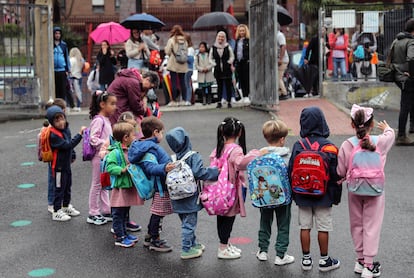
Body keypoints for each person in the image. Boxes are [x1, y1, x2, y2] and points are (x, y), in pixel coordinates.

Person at [337, 104, 395, 278]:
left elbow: (340, 170)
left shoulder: (347, 144)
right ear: (372, 124)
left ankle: (360, 260)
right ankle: (369, 266)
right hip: (375, 191)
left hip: (354, 190)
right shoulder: (380, 142)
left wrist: (342, 177)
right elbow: (390, 135)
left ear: (352, 124)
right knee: (372, 225)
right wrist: (387, 128)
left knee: (357, 224)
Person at [288, 106, 342, 272]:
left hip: (302, 194)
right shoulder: (330, 147)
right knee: (323, 227)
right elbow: (336, 174)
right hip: (323, 196)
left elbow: (290, 170)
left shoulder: (299, 145)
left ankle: (306, 260)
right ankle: (324, 260)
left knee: (305, 226)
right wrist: (335, 195)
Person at [165, 127, 219, 259]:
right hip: (190, 197)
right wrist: (216, 172)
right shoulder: (193, 156)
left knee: (185, 222)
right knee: (189, 224)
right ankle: (186, 249)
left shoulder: (172, 157)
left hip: (177, 197)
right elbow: (199, 172)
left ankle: (193, 243)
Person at [210, 117, 260, 259]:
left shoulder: (218, 148)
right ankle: (223, 247)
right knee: (229, 218)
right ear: (239, 133)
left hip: (218, 190)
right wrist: (255, 154)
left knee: (222, 217)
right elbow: (240, 163)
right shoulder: (235, 149)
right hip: (230, 190)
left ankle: (225, 244)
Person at [128, 116, 176, 252]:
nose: (162, 135)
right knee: (158, 213)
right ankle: (155, 239)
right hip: (160, 186)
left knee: (158, 213)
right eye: (161, 132)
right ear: (155, 132)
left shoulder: (145, 146)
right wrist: (164, 168)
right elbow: (150, 167)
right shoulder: (150, 148)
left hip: (160, 185)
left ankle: (151, 236)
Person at [255, 120, 294, 265]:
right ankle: (280, 255)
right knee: (283, 224)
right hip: (283, 196)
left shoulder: (261, 154)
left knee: (265, 222)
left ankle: (263, 251)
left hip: (264, 196)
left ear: (266, 138)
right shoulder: (287, 155)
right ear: (282, 139)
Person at [106, 122, 143, 248]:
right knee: (118, 213)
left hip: (126, 187)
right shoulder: (115, 152)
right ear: (125, 138)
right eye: (133, 135)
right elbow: (109, 167)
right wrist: (121, 170)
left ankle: (124, 233)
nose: (135, 137)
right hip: (120, 188)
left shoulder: (129, 149)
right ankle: (120, 237)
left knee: (125, 212)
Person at [46, 105, 86, 221]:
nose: (60, 122)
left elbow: (68, 145)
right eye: (56, 120)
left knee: (67, 186)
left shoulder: (65, 129)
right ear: (52, 122)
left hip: (66, 165)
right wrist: (79, 135)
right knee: (59, 188)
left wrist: (72, 154)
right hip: (58, 166)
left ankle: (65, 206)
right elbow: (67, 145)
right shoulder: (53, 135)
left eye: (61, 118)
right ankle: (56, 210)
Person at [86, 90, 117, 225]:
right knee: (97, 184)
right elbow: (93, 139)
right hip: (99, 156)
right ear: (102, 104)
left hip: (106, 156)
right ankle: (93, 213)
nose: (114, 107)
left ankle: (106, 209)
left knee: (105, 184)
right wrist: (106, 144)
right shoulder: (98, 120)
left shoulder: (106, 120)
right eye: (112, 104)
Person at [41, 98, 67, 214]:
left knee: (61, 181)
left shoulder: (60, 127)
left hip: (61, 159)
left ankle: (59, 202)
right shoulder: (51, 130)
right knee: (54, 181)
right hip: (55, 159)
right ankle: (52, 203)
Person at [390, 18, 414, 146]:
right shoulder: (411, 41)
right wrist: (411, 73)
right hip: (407, 78)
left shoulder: (396, 40)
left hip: (398, 76)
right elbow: (411, 58)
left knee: (409, 103)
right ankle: (401, 136)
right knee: (405, 106)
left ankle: (411, 130)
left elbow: (390, 57)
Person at [209, 31, 235, 108]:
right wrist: (214, 64)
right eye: (219, 36)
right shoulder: (213, 47)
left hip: (226, 69)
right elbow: (210, 58)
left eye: (222, 37)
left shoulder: (228, 47)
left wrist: (229, 62)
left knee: (228, 85)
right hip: (218, 69)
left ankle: (229, 101)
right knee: (219, 86)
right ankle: (219, 101)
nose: (221, 38)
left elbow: (232, 56)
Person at [165, 25, 188, 106]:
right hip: (183, 63)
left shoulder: (171, 40)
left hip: (174, 63)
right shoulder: (185, 40)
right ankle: (185, 100)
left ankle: (174, 101)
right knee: (183, 82)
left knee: (174, 82)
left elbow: (167, 52)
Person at [53, 26, 74, 108]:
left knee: (63, 89)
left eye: (59, 33)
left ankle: (62, 105)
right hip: (54, 70)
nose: (57, 35)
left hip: (62, 69)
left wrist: (68, 69)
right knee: (56, 88)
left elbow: (66, 57)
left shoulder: (63, 45)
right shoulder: (51, 44)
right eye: (56, 33)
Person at [234, 24, 250, 103]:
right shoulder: (237, 41)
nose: (242, 32)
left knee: (246, 79)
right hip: (239, 62)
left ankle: (247, 95)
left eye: (243, 30)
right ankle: (243, 96)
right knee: (240, 80)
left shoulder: (248, 40)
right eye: (240, 31)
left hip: (246, 62)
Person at [69, 47, 85, 112]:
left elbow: (70, 69)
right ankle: (78, 106)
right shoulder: (81, 60)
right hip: (79, 77)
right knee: (78, 92)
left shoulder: (71, 60)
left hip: (72, 77)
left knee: (70, 92)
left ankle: (71, 105)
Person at [277, 25, 289, 100]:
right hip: (280, 59)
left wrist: (280, 59)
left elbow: (283, 47)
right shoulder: (276, 35)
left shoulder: (279, 35)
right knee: (278, 77)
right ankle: (280, 93)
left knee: (278, 77)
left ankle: (284, 93)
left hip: (282, 60)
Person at [183, 33, 195, 106]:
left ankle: (188, 100)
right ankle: (188, 99)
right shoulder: (188, 48)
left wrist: (183, 57)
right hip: (187, 69)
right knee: (187, 84)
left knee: (188, 85)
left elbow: (190, 59)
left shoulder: (190, 49)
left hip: (188, 69)